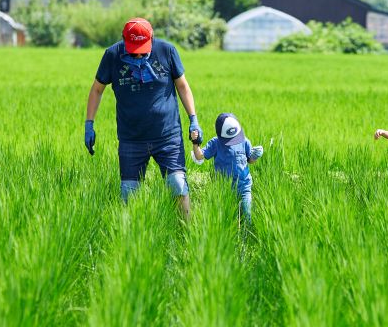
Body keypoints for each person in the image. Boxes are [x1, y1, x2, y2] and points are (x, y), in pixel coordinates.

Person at [84, 18, 202, 217]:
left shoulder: (166, 51)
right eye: (133, 48)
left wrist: (193, 119)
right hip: (131, 138)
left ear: (152, 38)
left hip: (167, 135)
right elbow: (97, 90)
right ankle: (132, 239)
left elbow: (182, 86)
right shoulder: (112, 55)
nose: (138, 53)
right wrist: (89, 124)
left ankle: (186, 233)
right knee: (129, 194)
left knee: (178, 185)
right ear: (124, 40)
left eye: (142, 47)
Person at [192, 113, 264, 222]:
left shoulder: (244, 141)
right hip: (223, 189)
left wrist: (255, 156)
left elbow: (250, 161)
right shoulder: (215, 143)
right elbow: (199, 156)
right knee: (227, 220)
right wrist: (195, 142)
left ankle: (246, 237)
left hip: (243, 187)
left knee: (247, 215)